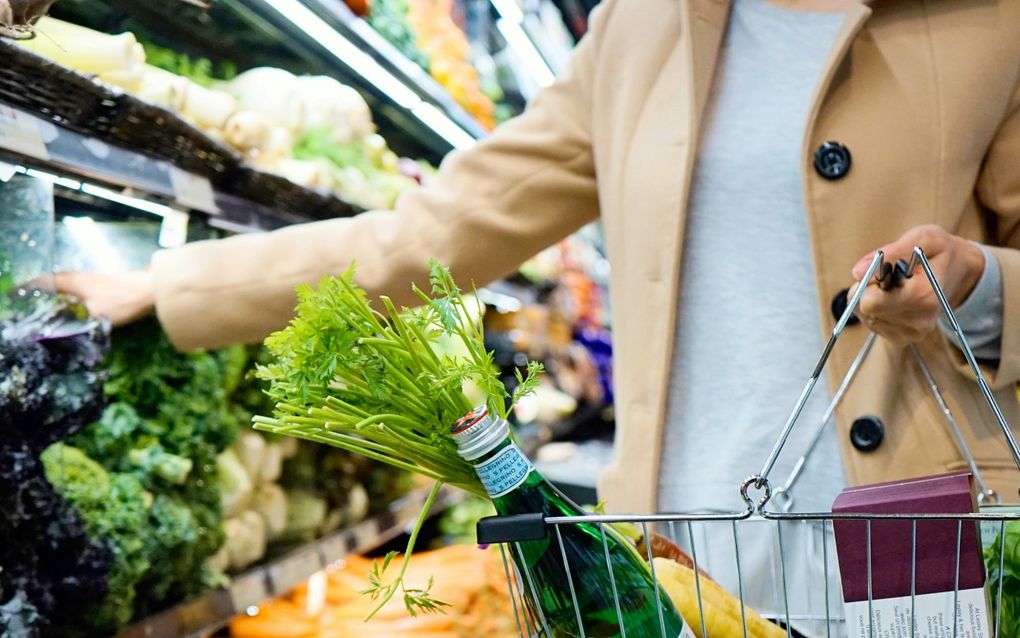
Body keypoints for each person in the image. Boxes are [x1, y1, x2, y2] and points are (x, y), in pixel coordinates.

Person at [54, 0, 1020, 632]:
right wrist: (176, 286)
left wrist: (976, 287)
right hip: (680, 539)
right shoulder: (641, 32)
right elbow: (435, 231)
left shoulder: (989, 21)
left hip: (914, 523)